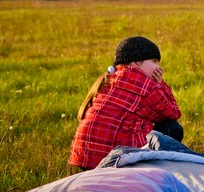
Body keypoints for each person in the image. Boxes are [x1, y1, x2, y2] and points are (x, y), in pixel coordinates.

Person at [68, 36, 183, 172]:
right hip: (116, 162)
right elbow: (173, 113)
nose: (158, 67)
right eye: (154, 61)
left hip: (85, 159)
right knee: (172, 128)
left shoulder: (110, 78)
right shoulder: (144, 85)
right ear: (136, 63)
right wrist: (161, 84)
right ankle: (158, 170)